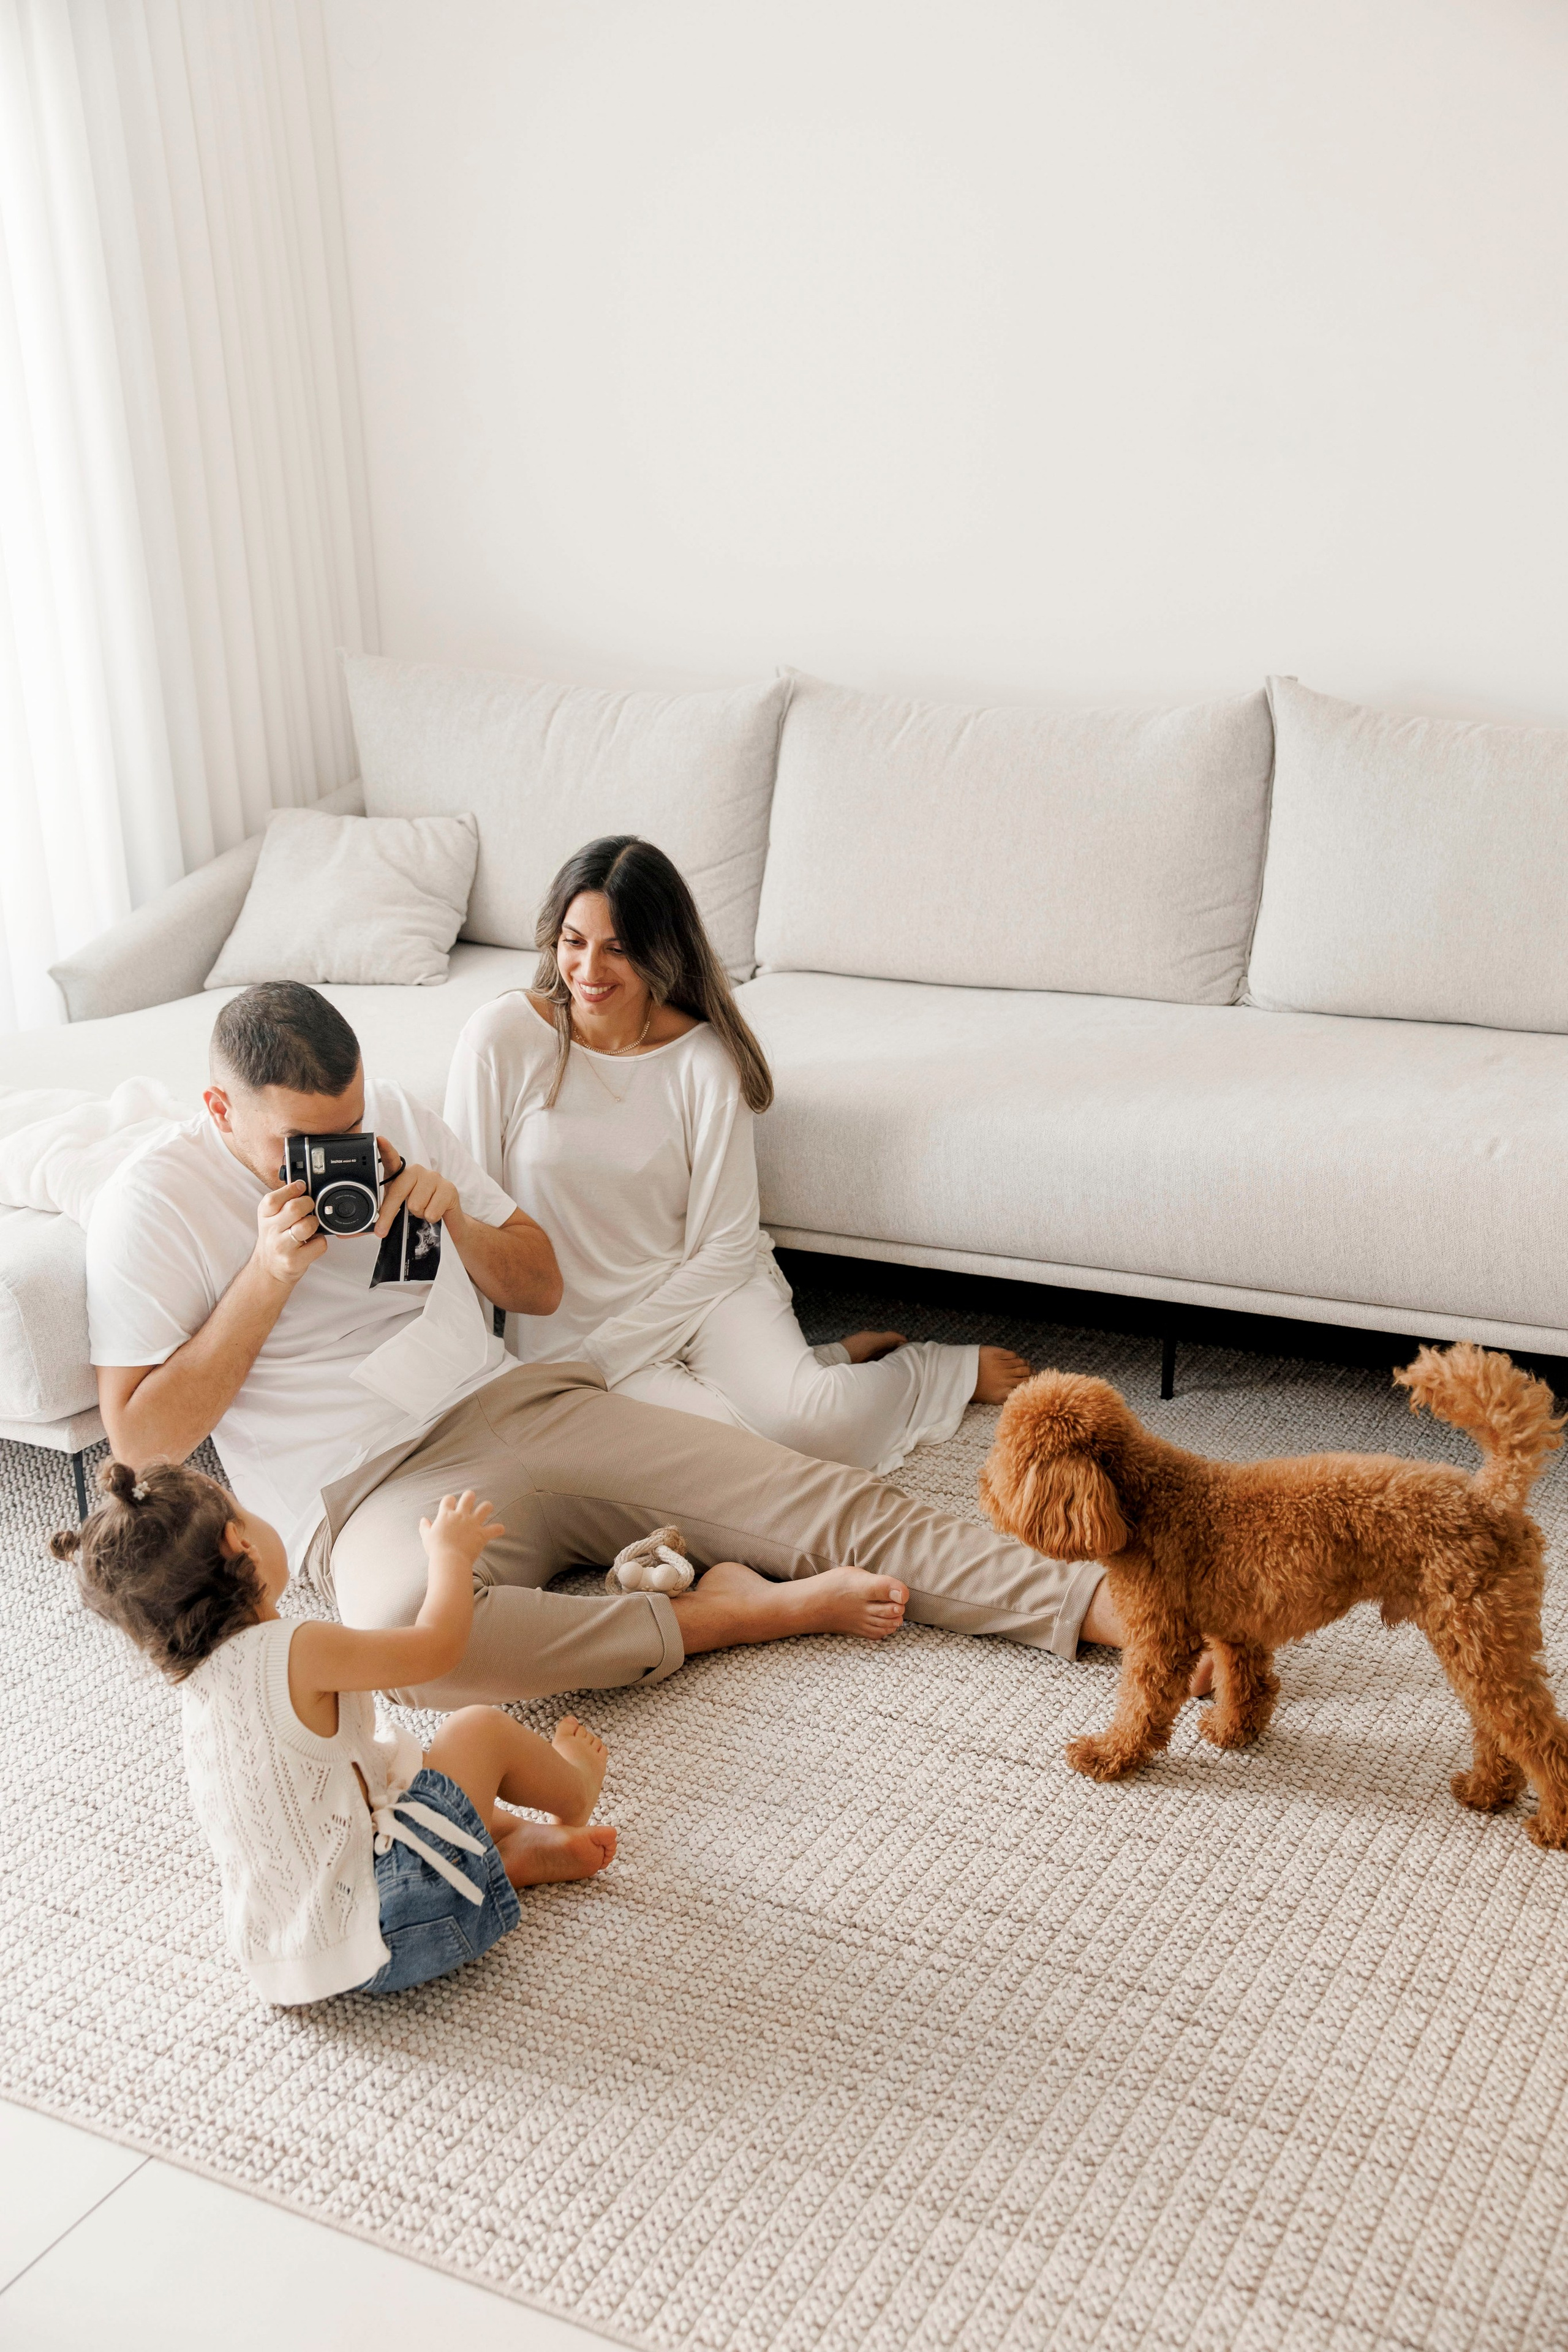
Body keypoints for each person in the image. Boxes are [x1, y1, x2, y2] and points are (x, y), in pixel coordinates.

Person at [87, 980, 1133, 1714]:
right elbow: (140, 1443)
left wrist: (459, 1220)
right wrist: (267, 1277)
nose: (337, 1159)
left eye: (348, 1127)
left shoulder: (396, 1119)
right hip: (360, 1495)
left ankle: (1099, 1605)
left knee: (803, 1493)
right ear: (219, 1109)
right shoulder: (153, 1204)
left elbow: (539, 1284)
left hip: (512, 1406)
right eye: (302, 1146)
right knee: (408, 1651)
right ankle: (719, 1618)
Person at [444, 834, 1030, 1475]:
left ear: (659, 949)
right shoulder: (501, 1038)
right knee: (734, 1458)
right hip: (574, 1328)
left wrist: (603, 1357)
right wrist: (475, 1377)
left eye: (618, 948)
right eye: (574, 941)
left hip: (707, 1292)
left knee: (818, 1427)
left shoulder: (703, 1060)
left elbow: (725, 1249)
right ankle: (824, 1364)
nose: (588, 970)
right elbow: (469, 1218)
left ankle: (928, 1374)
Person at [54, 1461, 617, 2005]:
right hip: (394, 1922)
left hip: (294, 1954)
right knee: (476, 1731)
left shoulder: (200, 1692)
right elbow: (436, 1649)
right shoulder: (298, 1649)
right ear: (240, 1543)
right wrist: (449, 1557)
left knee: (401, 1767)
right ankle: (574, 1791)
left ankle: (512, 1852)